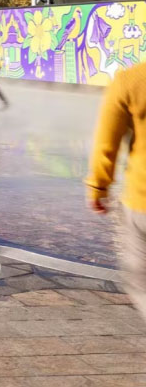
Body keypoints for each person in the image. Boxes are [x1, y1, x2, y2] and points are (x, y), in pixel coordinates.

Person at [86, 63, 146, 321]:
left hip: (141, 201)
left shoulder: (131, 80)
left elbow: (106, 143)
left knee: (141, 278)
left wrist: (98, 186)